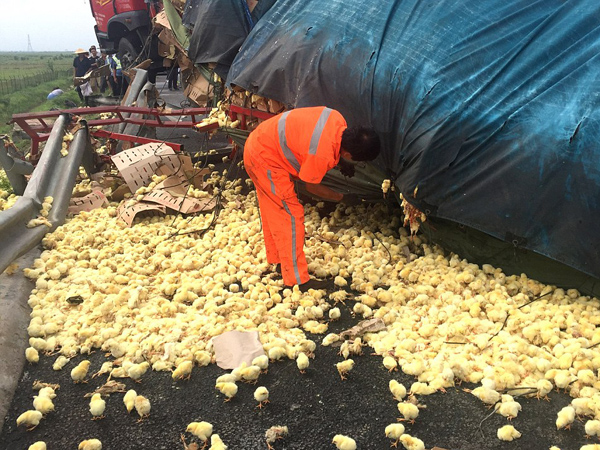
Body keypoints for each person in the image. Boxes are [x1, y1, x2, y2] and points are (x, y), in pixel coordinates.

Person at [243, 106, 381, 291]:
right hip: (265, 159)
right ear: (348, 154)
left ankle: (279, 261)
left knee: (274, 210)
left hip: (259, 142)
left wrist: (340, 162)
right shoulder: (321, 153)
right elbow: (311, 186)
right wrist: (342, 197)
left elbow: (313, 141)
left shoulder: (337, 118)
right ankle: (297, 280)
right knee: (291, 216)